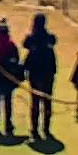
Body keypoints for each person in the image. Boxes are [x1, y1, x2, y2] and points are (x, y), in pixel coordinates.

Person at [23, 12, 58, 140]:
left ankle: (34, 129)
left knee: (35, 101)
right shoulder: (50, 37)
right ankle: (46, 129)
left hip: (35, 73)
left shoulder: (32, 38)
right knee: (47, 101)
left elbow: (25, 44)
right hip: (48, 72)